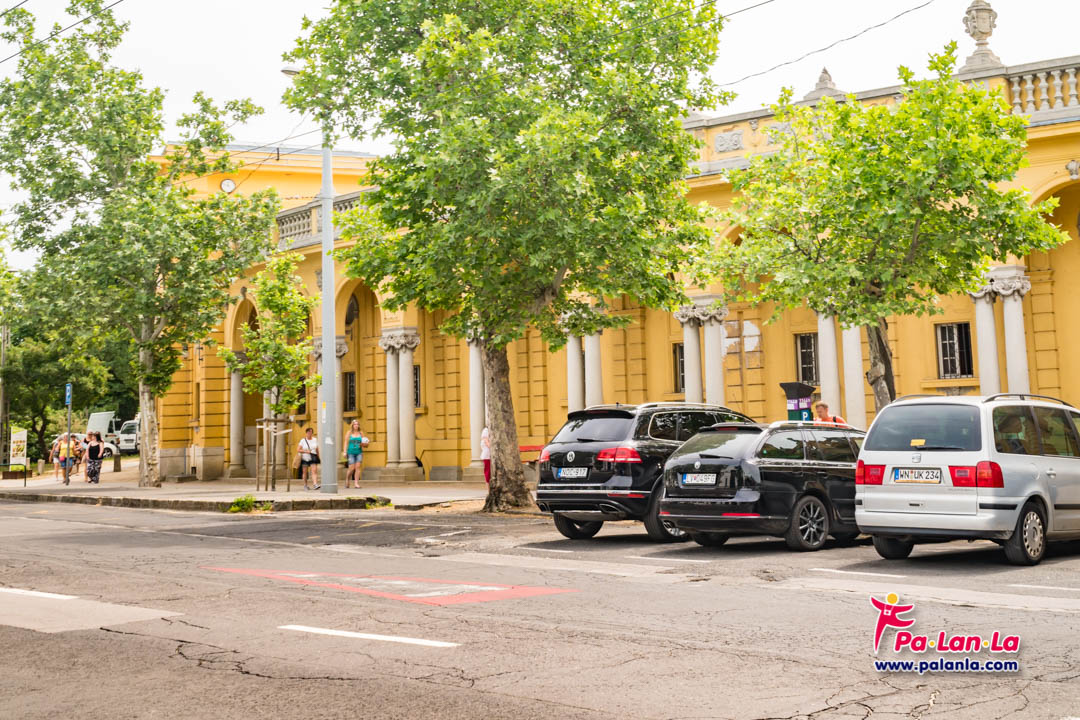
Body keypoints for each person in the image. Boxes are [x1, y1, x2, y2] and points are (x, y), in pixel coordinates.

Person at [344, 420, 369, 489]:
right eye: (355, 424)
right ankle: (347, 479)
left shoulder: (361, 433)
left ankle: (356, 483)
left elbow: (364, 443)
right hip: (350, 452)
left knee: (358, 467)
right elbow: (346, 443)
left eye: (357, 424)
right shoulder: (349, 433)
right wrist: (345, 452)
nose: (356, 425)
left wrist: (365, 444)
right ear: (352, 425)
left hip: (359, 452)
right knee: (351, 468)